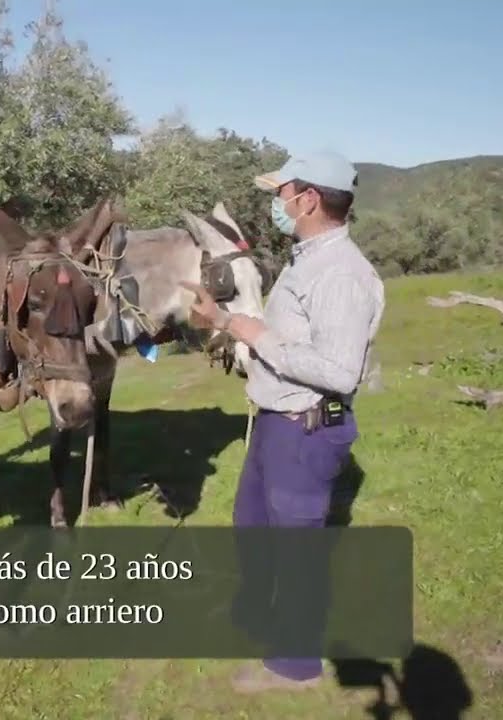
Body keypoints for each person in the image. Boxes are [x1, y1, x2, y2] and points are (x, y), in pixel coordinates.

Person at [180, 150, 385, 693]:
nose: (277, 203)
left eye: (283, 193)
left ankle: (295, 663)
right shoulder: (305, 260)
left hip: (306, 427)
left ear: (309, 199)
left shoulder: (341, 275)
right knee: (252, 528)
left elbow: (338, 371)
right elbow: (283, 338)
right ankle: (258, 620)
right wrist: (223, 320)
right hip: (276, 422)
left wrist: (253, 334)